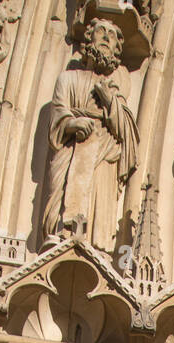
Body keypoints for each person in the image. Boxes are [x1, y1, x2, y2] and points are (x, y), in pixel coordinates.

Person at [41, 18, 138, 252]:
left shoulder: (114, 90)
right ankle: (59, 234)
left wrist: (110, 102)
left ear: (117, 50)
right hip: (73, 151)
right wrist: (72, 123)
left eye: (112, 36)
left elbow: (128, 133)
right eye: (101, 32)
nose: (106, 38)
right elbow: (58, 112)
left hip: (103, 155)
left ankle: (98, 248)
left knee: (97, 209)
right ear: (88, 39)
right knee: (64, 205)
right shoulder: (68, 78)